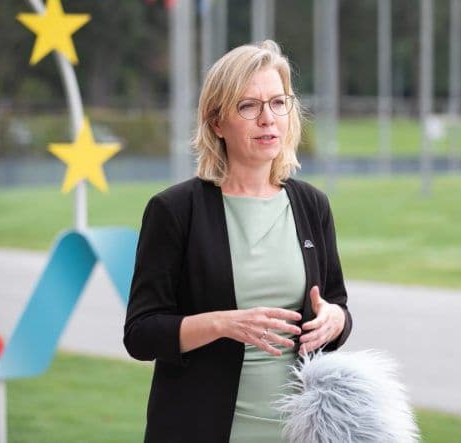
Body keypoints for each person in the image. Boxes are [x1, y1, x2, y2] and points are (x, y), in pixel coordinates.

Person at [124, 40, 352, 443]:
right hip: (201, 429)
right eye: (248, 106)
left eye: (278, 103)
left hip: (298, 432)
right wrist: (224, 323)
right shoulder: (174, 210)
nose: (268, 119)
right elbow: (141, 334)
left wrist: (335, 320)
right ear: (217, 122)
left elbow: (337, 306)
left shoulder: (311, 204)